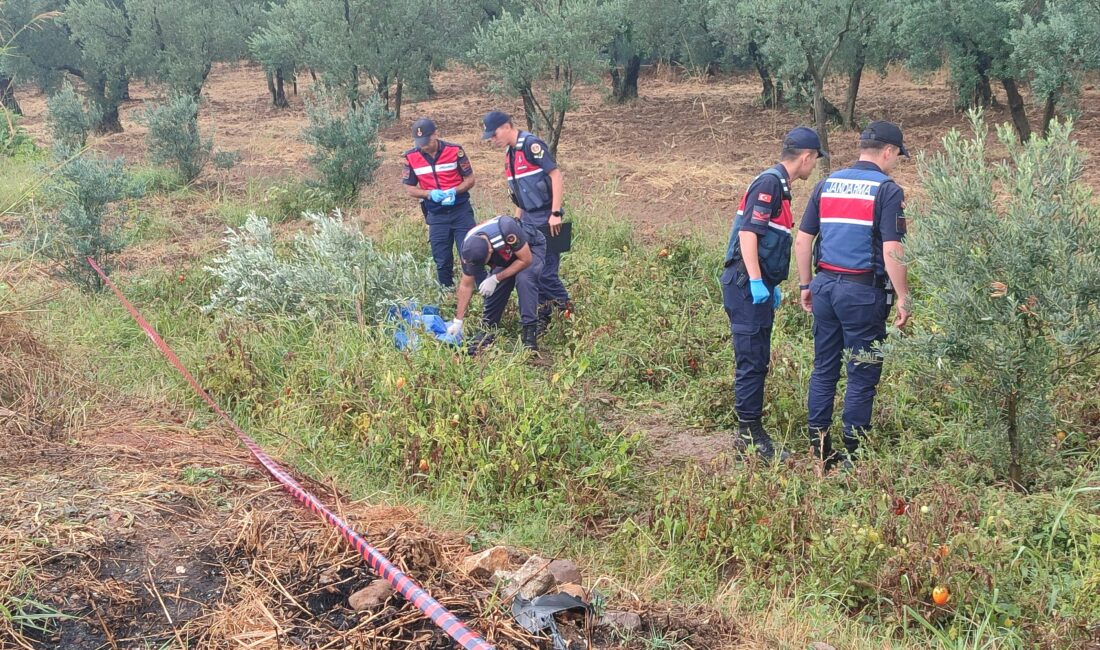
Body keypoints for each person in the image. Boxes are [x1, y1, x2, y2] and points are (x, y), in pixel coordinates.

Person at [794, 120, 912, 470]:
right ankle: (852, 455)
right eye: (896, 156)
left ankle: (819, 449)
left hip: (825, 287)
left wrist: (805, 285)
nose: (895, 163)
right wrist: (904, 296)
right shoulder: (888, 191)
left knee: (824, 368)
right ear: (888, 152)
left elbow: (803, 240)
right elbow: (892, 248)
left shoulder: (826, 184)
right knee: (862, 372)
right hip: (862, 292)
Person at [720, 127, 827, 461]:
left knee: (758, 358)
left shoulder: (781, 187)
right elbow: (749, 235)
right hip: (744, 285)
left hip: (758, 285)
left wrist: (771, 284)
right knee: (751, 360)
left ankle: (752, 431)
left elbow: (768, 242)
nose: (814, 169)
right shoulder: (769, 183)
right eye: (815, 161)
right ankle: (748, 436)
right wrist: (755, 280)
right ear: (807, 157)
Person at [481, 111, 569, 331]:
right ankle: (544, 316)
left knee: (547, 273)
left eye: (495, 134)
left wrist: (555, 213)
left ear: (508, 126)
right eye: (490, 136)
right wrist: (516, 222)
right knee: (533, 271)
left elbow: (556, 175)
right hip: (528, 219)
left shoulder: (531, 145)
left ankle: (568, 312)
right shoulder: (510, 154)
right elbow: (520, 194)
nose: (493, 139)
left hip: (547, 216)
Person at [402, 117, 484, 288]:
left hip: (460, 211)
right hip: (436, 215)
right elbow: (409, 188)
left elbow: (470, 179)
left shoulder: (454, 151)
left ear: (436, 134)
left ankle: (484, 293)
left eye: (426, 140)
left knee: (470, 255)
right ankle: (446, 295)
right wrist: (429, 194)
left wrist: (455, 191)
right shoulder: (411, 157)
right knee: (442, 259)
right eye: (419, 141)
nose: (423, 145)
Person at [447, 216, 546, 351]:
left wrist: (496, 278)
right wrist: (458, 321)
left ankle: (529, 334)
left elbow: (525, 260)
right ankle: (488, 330)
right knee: (497, 286)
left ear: (490, 251)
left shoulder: (507, 229)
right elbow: (466, 284)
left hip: (530, 248)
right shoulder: (469, 248)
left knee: (524, 279)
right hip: (505, 256)